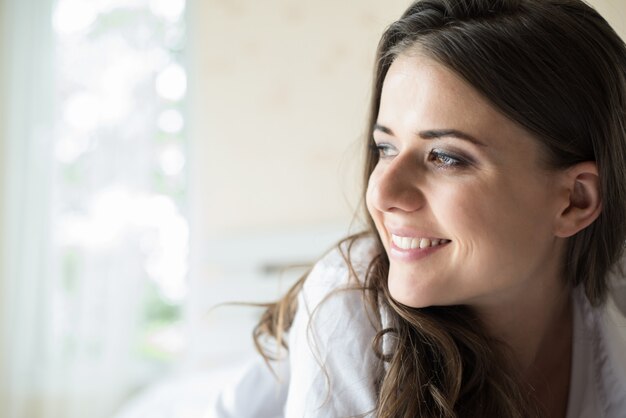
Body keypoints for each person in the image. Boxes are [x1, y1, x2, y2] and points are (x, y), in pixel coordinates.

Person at [209, 0, 626, 417]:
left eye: (446, 157)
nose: (382, 192)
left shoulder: (614, 314)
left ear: (576, 200)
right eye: (385, 148)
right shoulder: (348, 308)